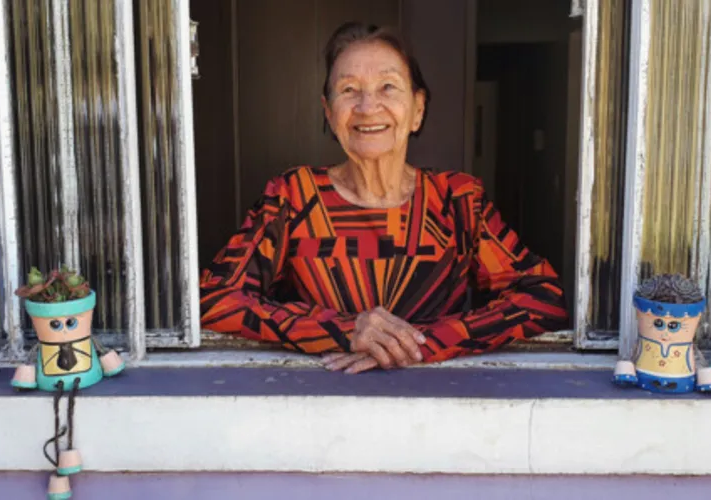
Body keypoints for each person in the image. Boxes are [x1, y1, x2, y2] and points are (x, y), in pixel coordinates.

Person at [199, 22, 569, 374]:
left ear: (418, 110)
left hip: (439, 403)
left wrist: (424, 343)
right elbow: (212, 298)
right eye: (349, 90)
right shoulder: (295, 197)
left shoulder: (457, 200)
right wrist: (341, 330)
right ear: (329, 112)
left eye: (388, 87)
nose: (367, 106)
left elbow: (544, 298)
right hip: (318, 401)